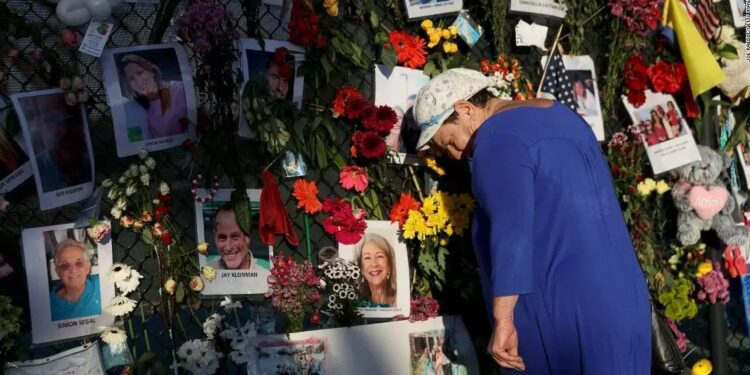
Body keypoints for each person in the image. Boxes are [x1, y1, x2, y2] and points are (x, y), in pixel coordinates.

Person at [413, 68, 650, 374]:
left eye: (449, 142)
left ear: (465, 109)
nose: (456, 155)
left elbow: (511, 233)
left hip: (562, 315)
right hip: (622, 299)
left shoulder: (495, 140)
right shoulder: (562, 115)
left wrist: (503, 320)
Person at [118, 54, 188, 140]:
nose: (139, 81)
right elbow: (137, 140)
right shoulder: (136, 109)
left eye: (140, 73)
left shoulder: (178, 89)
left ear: (151, 71)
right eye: (131, 79)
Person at [34, 111, 92, 192]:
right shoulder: (34, 170)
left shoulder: (91, 164)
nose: (64, 130)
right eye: (52, 121)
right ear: (39, 125)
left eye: (71, 120)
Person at [210, 203, 271, 279]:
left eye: (235, 237)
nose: (228, 247)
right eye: (222, 238)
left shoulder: (267, 273)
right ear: (215, 239)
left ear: (247, 237)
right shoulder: (204, 274)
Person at [49, 238, 101, 321]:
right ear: (58, 272)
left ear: (88, 267)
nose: (73, 270)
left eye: (79, 263)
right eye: (65, 265)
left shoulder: (103, 284)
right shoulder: (48, 305)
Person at [354, 233, 398, 307]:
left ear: (390, 264)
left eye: (379, 256)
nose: (374, 264)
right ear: (361, 267)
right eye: (367, 257)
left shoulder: (401, 299)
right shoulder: (356, 303)